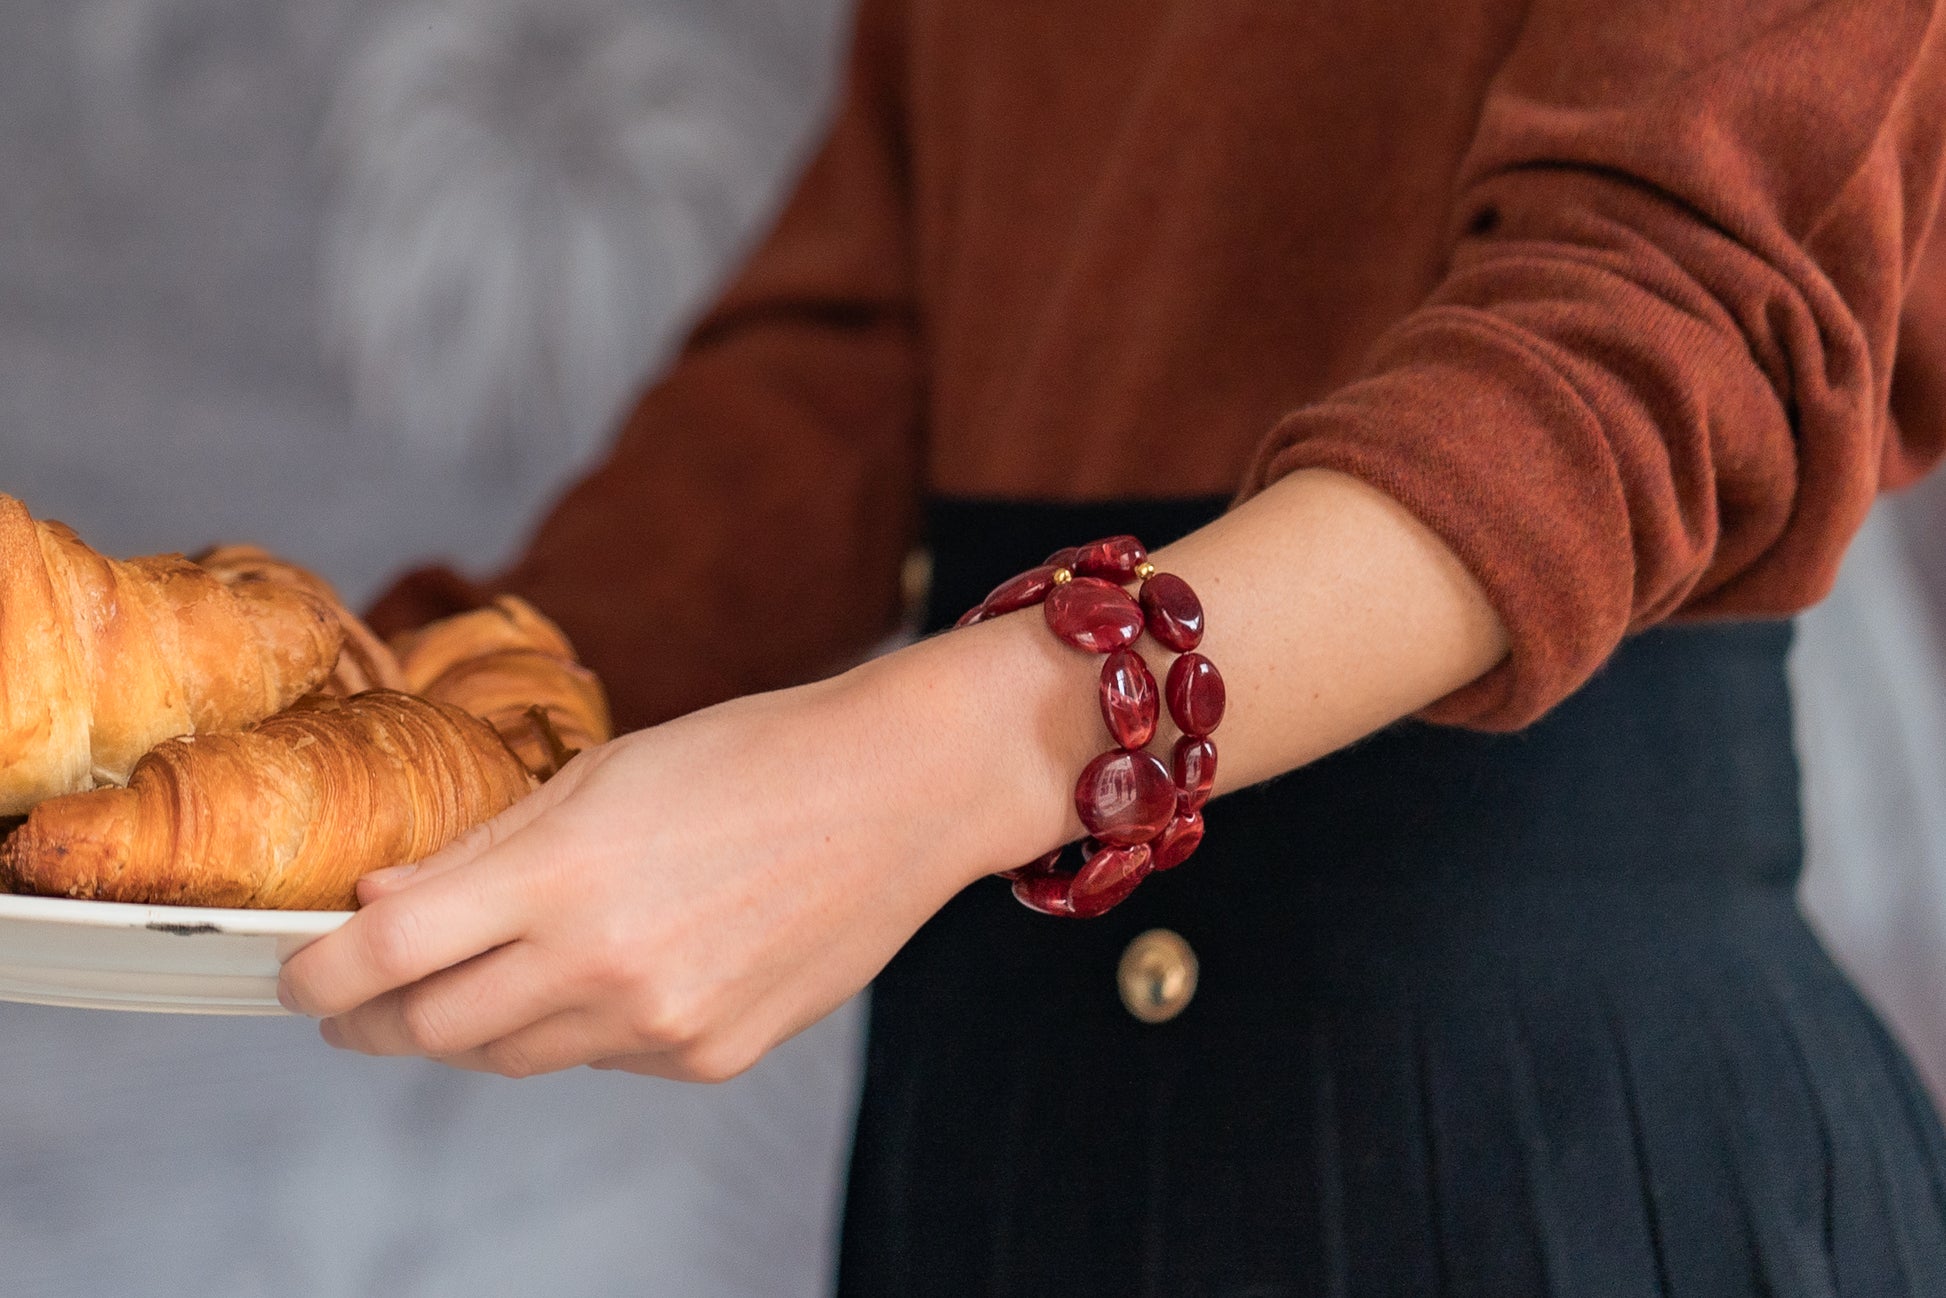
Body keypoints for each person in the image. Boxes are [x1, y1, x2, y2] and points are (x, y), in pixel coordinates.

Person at [280, 1, 1946, 1291]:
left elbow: (1669, 332)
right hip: (1013, 1137)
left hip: (1531, 1126)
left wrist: (963, 755)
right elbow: (858, 358)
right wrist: (419, 717)